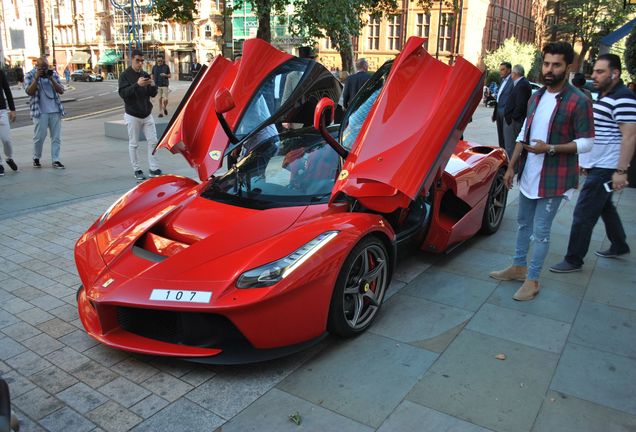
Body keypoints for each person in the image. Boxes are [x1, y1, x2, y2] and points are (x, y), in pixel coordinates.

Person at [489, 41, 594, 301]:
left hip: (555, 176)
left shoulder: (578, 100)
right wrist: (511, 167)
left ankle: (533, 279)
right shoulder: (536, 96)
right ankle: (517, 267)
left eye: (556, 65)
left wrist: (551, 148)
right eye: (546, 63)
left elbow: (587, 142)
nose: (549, 69)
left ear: (568, 67)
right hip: (529, 172)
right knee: (524, 224)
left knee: (541, 231)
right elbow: (524, 133)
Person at [550, 54, 636, 273]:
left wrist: (621, 171)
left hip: (607, 169)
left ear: (614, 73)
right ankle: (619, 244)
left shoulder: (623, 97)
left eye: (600, 72)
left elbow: (630, 136)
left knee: (583, 214)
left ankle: (573, 259)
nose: (594, 75)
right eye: (595, 71)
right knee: (605, 207)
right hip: (599, 166)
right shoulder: (607, 95)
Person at [119, 49, 161, 181]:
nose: (140, 63)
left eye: (142, 61)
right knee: (134, 143)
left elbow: (152, 94)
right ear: (131, 59)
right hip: (132, 114)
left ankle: (153, 168)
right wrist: (137, 85)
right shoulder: (125, 75)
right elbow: (123, 94)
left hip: (146, 113)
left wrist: (153, 85)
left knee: (153, 141)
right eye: (138, 60)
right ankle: (136, 169)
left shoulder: (144, 73)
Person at [24, 57, 66, 169]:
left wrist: (51, 79)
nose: (44, 69)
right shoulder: (30, 75)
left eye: (46, 67)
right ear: (36, 66)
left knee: (56, 137)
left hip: (55, 110)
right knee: (39, 137)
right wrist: (36, 79)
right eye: (42, 67)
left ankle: (56, 160)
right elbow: (29, 91)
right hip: (40, 112)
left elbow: (61, 90)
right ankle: (36, 157)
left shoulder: (52, 74)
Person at [503, 64, 532, 158]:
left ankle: (512, 167)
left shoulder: (522, 85)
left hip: (514, 122)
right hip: (513, 120)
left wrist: (513, 118)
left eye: (512, 73)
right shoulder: (521, 83)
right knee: (509, 145)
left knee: (510, 146)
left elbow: (520, 105)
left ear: (514, 73)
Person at [0, 69, 18, 176]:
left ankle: (9, 157)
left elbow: (7, 90)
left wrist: (12, 109)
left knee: (6, 140)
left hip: (1, 110)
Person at [491, 62, 513, 149]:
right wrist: (495, 113)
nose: (500, 72)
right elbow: (498, 98)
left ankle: (507, 157)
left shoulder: (512, 81)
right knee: (500, 136)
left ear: (509, 70)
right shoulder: (502, 81)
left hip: (506, 113)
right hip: (499, 112)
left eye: (503, 69)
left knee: (506, 138)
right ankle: (502, 153)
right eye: (500, 70)